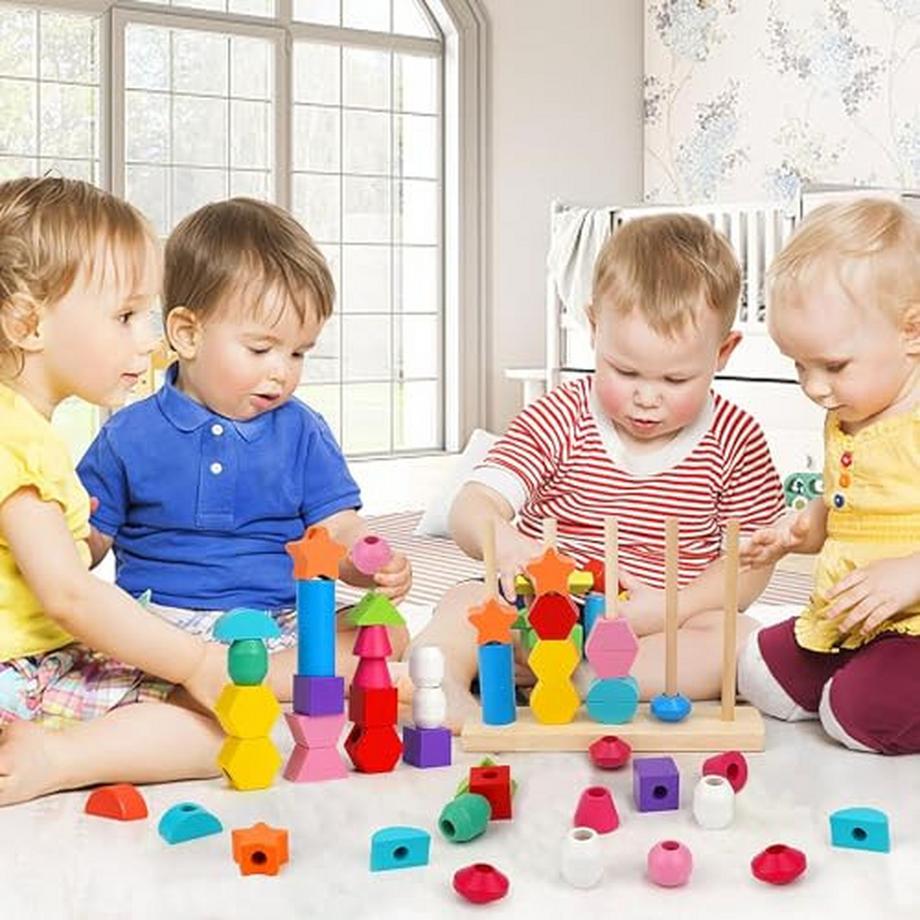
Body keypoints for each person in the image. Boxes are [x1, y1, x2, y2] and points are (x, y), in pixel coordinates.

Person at [409, 213, 785, 730]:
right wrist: (506, 541)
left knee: (741, 636)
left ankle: (589, 679)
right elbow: (472, 503)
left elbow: (750, 567)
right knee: (464, 601)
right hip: (541, 616)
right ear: (593, 327)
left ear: (723, 352)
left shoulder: (737, 439)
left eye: (676, 378)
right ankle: (439, 681)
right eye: (624, 371)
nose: (646, 398)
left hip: (658, 629)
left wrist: (669, 608)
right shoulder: (559, 416)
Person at [0, 177, 227, 806]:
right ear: (27, 323)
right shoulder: (19, 439)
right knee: (218, 730)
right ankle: (58, 757)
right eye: (125, 316)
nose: (147, 340)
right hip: (22, 670)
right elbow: (68, 595)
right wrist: (195, 664)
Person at [738, 198, 920, 755]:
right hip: (851, 612)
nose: (815, 387)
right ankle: (860, 665)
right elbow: (848, 503)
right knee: (757, 672)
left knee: (857, 715)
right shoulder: (846, 417)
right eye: (799, 365)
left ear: (912, 332)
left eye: (833, 366)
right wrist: (803, 529)